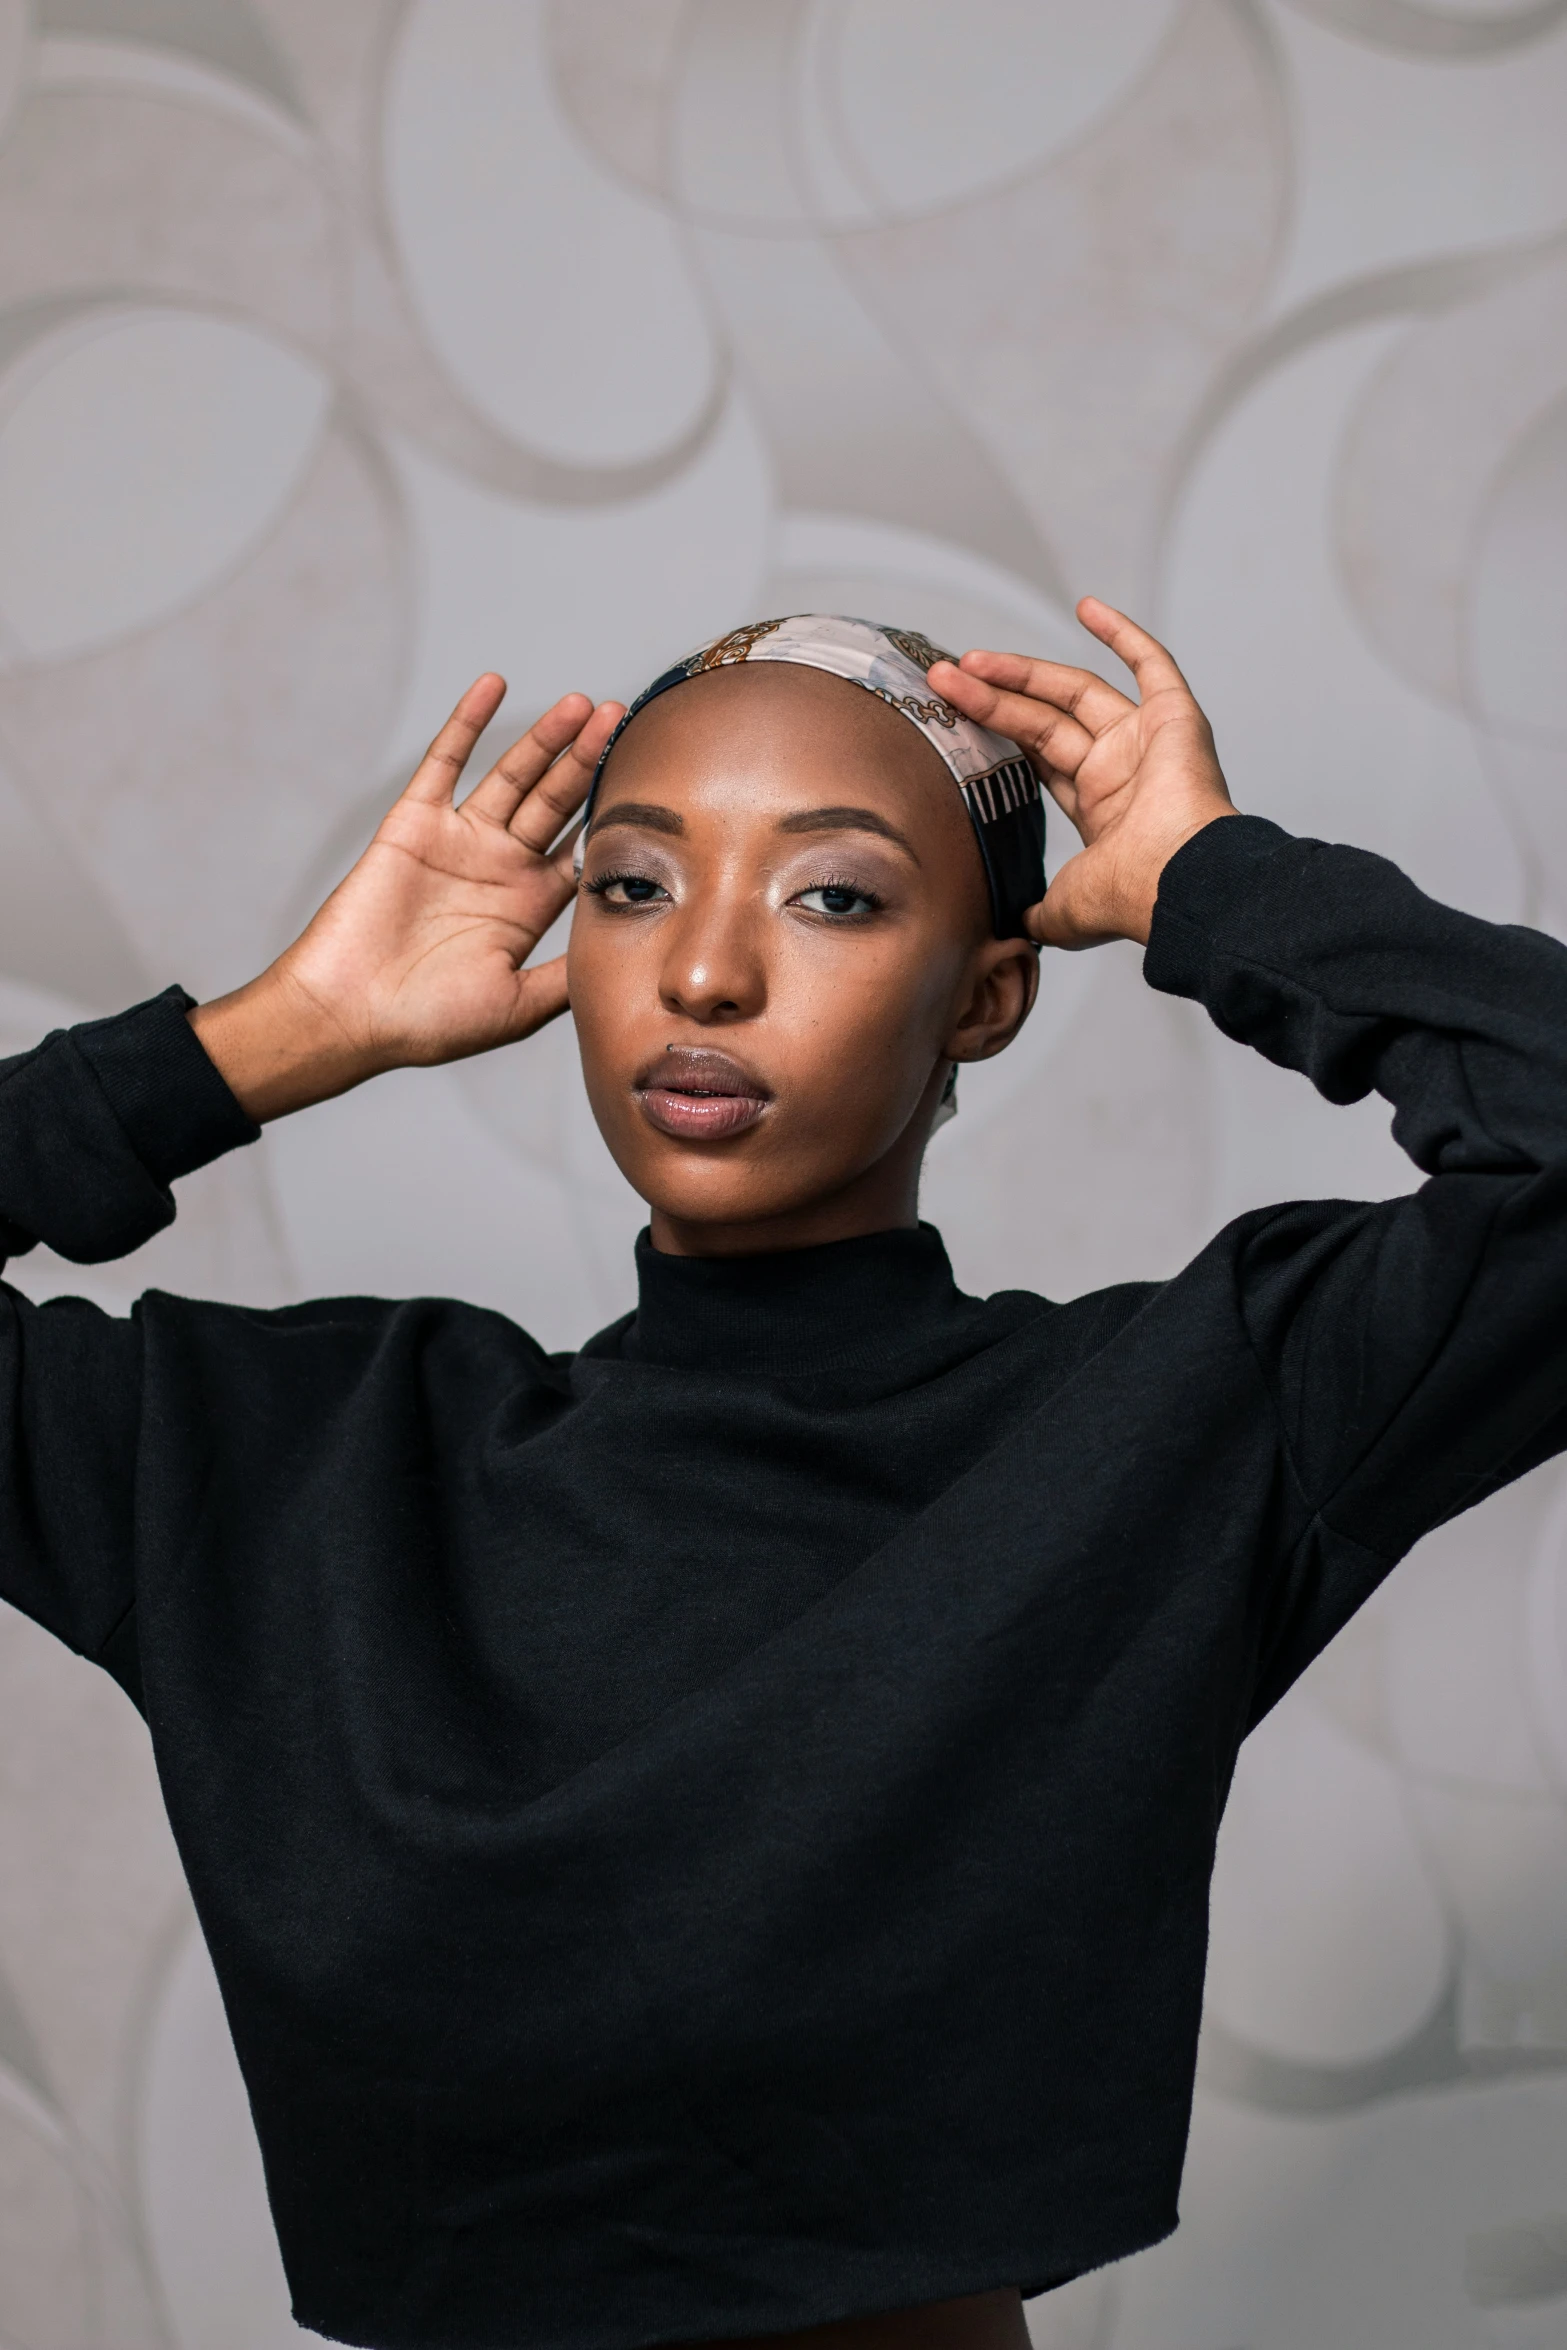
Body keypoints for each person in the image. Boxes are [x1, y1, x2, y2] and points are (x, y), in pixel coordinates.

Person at [2, 598, 1565, 2350]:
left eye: (830, 894)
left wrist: (1216, 884)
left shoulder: (1178, 1413)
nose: (701, 973)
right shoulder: (295, 1462)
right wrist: (267, 1036)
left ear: (982, 994)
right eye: (633, 885)